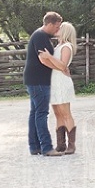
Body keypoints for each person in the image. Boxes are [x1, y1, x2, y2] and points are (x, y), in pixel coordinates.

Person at [24, 11, 65, 157]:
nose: (57, 30)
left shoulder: (40, 36)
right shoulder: (40, 36)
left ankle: (34, 146)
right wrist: (59, 67)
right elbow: (43, 59)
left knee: (35, 112)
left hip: (34, 80)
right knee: (41, 113)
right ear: (49, 24)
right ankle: (46, 147)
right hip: (39, 81)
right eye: (56, 26)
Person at [39, 22, 78, 154]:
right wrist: (46, 60)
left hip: (61, 82)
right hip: (54, 81)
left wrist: (49, 57)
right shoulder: (58, 46)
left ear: (66, 31)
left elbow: (62, 65)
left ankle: (71, 145)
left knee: (66, 113)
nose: (57, 29)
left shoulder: (67, 47)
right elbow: (58, 67)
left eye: (60, 28)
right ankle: (61, 144)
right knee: (58, 114)